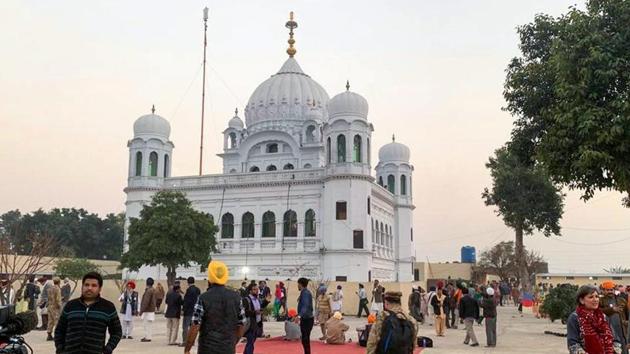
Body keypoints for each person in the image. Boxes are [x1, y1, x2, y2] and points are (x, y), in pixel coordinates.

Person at [184, 260, 245, 354]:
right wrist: (233, 342)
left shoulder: (203, 298)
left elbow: (195, 325)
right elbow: (241, 324)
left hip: (207, 348)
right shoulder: (237, 297)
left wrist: (187, 349)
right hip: (228, 348)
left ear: (210, 277)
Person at [54, 272, 122, 354]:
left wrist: (108, 348)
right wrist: (60, 348)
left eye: (94, 285)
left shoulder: (108, 307)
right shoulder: (71, 305)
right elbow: (59, 330)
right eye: (86, 285)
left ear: (100, 288)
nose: (89, 288)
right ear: (82, 286)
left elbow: (117, 332)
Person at [568, 285, 623, 354]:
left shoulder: (603, 317)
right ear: (582, 300)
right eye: (591, 297)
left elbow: (615, 339)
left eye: (597, 297)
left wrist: (616, 350)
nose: (595, 300)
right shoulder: (575, 317)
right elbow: (573, 343)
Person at [242, 282, 270, 354]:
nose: (256, 291)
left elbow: (260, 307)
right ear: (250, 291)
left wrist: (266, 301)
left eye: (257, 289)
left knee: (251, 342)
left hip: (257, 324)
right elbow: (244, 311)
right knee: (251, 343)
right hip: (250, 324)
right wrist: (255, 312)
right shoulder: (246, 299)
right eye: (254, 289)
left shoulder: (257, 299)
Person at [599, 281, 628, 351]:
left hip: (621, 331)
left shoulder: (621, 300)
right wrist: (611, 310)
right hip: (608, 331)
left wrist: (626, 322)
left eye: (611, 290)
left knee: (623, 350)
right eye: (607, 290)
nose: (610, 291)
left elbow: (627, 313)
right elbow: (597, 312)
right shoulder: (599, 301)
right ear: (603, 290)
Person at [296, 277, 314, 354]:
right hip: (306, 318)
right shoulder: (304, 292)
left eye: (298, 284)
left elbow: (305, 306)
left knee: (305, 339)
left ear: (300, 284)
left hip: (307, 319)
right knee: (305, 339)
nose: (297, 286)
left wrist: (299, 316)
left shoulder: (305, 293)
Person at [181, 276, 200, 347]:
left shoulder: (189, 290)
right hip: (195, 311)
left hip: (188, 311)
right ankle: (192, 341)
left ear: (188, 282)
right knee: (193, 327)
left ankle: (185, 341)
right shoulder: (198, 290)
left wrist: (183, 309)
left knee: (185, 327)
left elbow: (187, 301)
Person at [164, 281, 184, 345]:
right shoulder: (178, 296)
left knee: (168, 328)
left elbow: (166, 302)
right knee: (175, 328)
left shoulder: (169, 294)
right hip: (175, 314)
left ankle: (168, 340)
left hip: (168, 313)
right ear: (178, 289)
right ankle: (173, 341)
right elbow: (181, 303)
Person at [139, 277, 157, 342]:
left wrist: (141, 311)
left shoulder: (148, 291)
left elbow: (146, 302)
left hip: (148, 310)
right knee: (149, 324)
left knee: (146, 324)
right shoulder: (154, 290)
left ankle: (148, 337)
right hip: (151, 310)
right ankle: (148, 336)